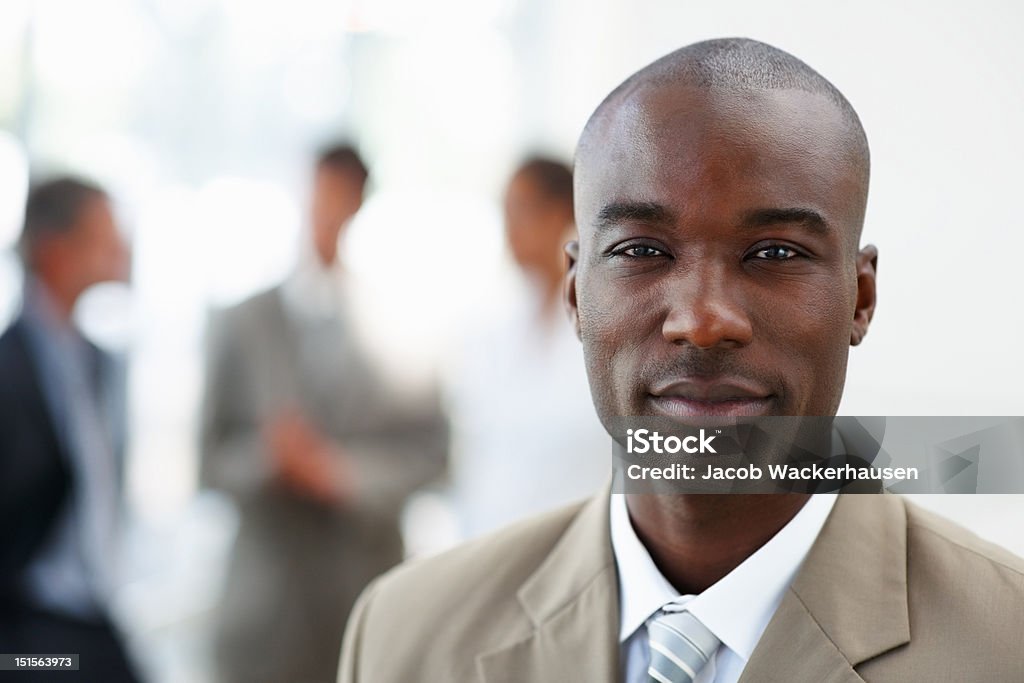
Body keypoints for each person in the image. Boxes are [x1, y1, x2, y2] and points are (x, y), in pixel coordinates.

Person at [337, 39, 1024, 682]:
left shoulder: (1004, 641)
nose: (702, 321)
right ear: (578, 293)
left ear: (860, 299)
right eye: (642, 251)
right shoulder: (406, 637)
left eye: (776, 252)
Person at [200, 143, 447, 683]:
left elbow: (435, 456)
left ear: (360, 204)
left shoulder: (400, 323)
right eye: (318, 193)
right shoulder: (242, 321)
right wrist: (271, 458)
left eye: (341, 196)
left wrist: (341, 475)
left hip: (362, 599)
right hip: (264, 612)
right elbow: (208, 462)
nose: (326, 209)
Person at [0, 176, 139, 681]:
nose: (121, 249)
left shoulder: (97, 363)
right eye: (104, 235)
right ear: (56, 251)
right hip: (30, 632)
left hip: (94, 615)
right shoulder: (9, 367)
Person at [447, 157, 608, 538]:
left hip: (575, 544)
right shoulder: (491, 329)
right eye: (505, 212)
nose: (510, 229)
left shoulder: (601, 325)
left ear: (561, 215)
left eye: (521, 211)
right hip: (490, 545)